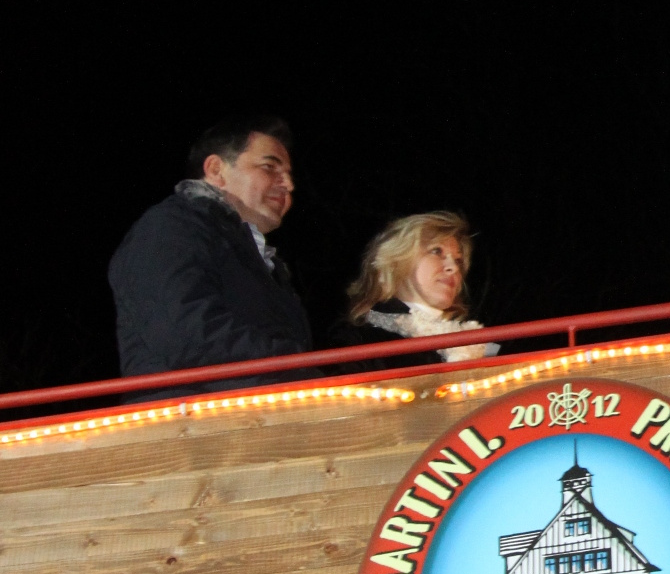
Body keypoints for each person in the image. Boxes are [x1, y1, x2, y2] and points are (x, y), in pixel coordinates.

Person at [108, 115, 320, 401]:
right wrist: (297, 369)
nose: (288, 184)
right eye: (269, 167)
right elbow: (186, 332)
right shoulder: (170, 228)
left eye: (289, 174)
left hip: (256, 410)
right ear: (216, 169)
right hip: (194, 416)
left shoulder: (258, 257)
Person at [330, 211, 495, 373]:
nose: (453, 268)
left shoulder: (478, 344)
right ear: (396, 260)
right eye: (437, 251)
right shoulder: (359, 340)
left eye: (458, 260)